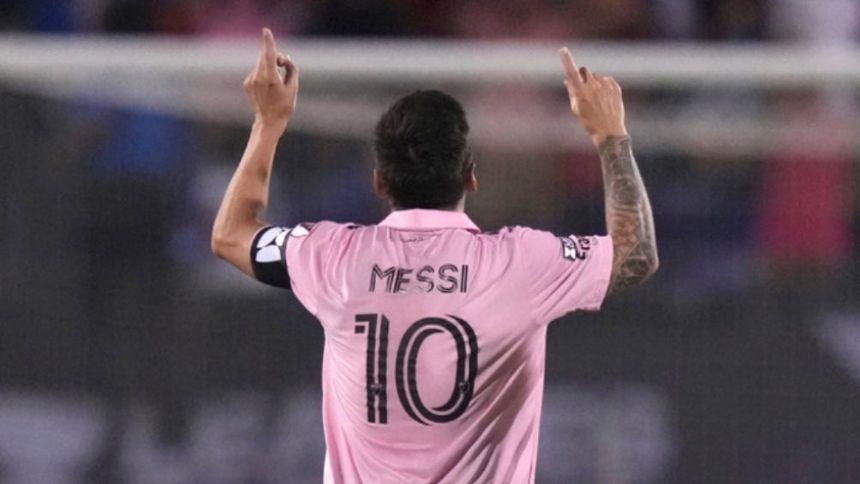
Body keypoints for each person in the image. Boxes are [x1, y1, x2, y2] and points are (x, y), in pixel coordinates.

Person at [212, 28, 658, 484]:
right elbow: (636, 255)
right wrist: (610, 135)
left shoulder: (333, 257)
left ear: (379, 182)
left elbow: (231, 234)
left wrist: (268, 123)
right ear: (471, 176)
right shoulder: (519, 264)